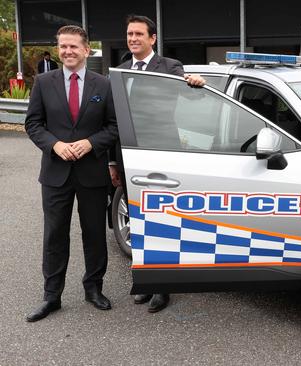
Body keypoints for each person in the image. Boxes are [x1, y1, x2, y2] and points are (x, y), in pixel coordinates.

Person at [109, 14, 205, 313]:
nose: (133, 38)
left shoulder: (170, 67)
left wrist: (195, 84)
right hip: (128, 156)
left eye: (139, 34)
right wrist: (113, 161)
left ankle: (163, 287)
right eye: (129, 34)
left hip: (160, 153)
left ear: (152, 38)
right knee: (138, 222)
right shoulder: (121, 70)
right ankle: (146, 282)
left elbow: (188, 98)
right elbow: (113, 120)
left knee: (162, 221)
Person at [24, 25, 118, 322]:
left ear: (86, 49)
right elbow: (33, 124)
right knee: (55, 236)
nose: (67, 51)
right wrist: (55, 145)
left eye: (73, 46)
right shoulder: (43, 82)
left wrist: (90, 143)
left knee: (94, 234)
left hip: (92, 173)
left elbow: (114, 127)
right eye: (62, 46)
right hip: (55, 173)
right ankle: (52, 296)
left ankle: (93, 289)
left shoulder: (103, 84)